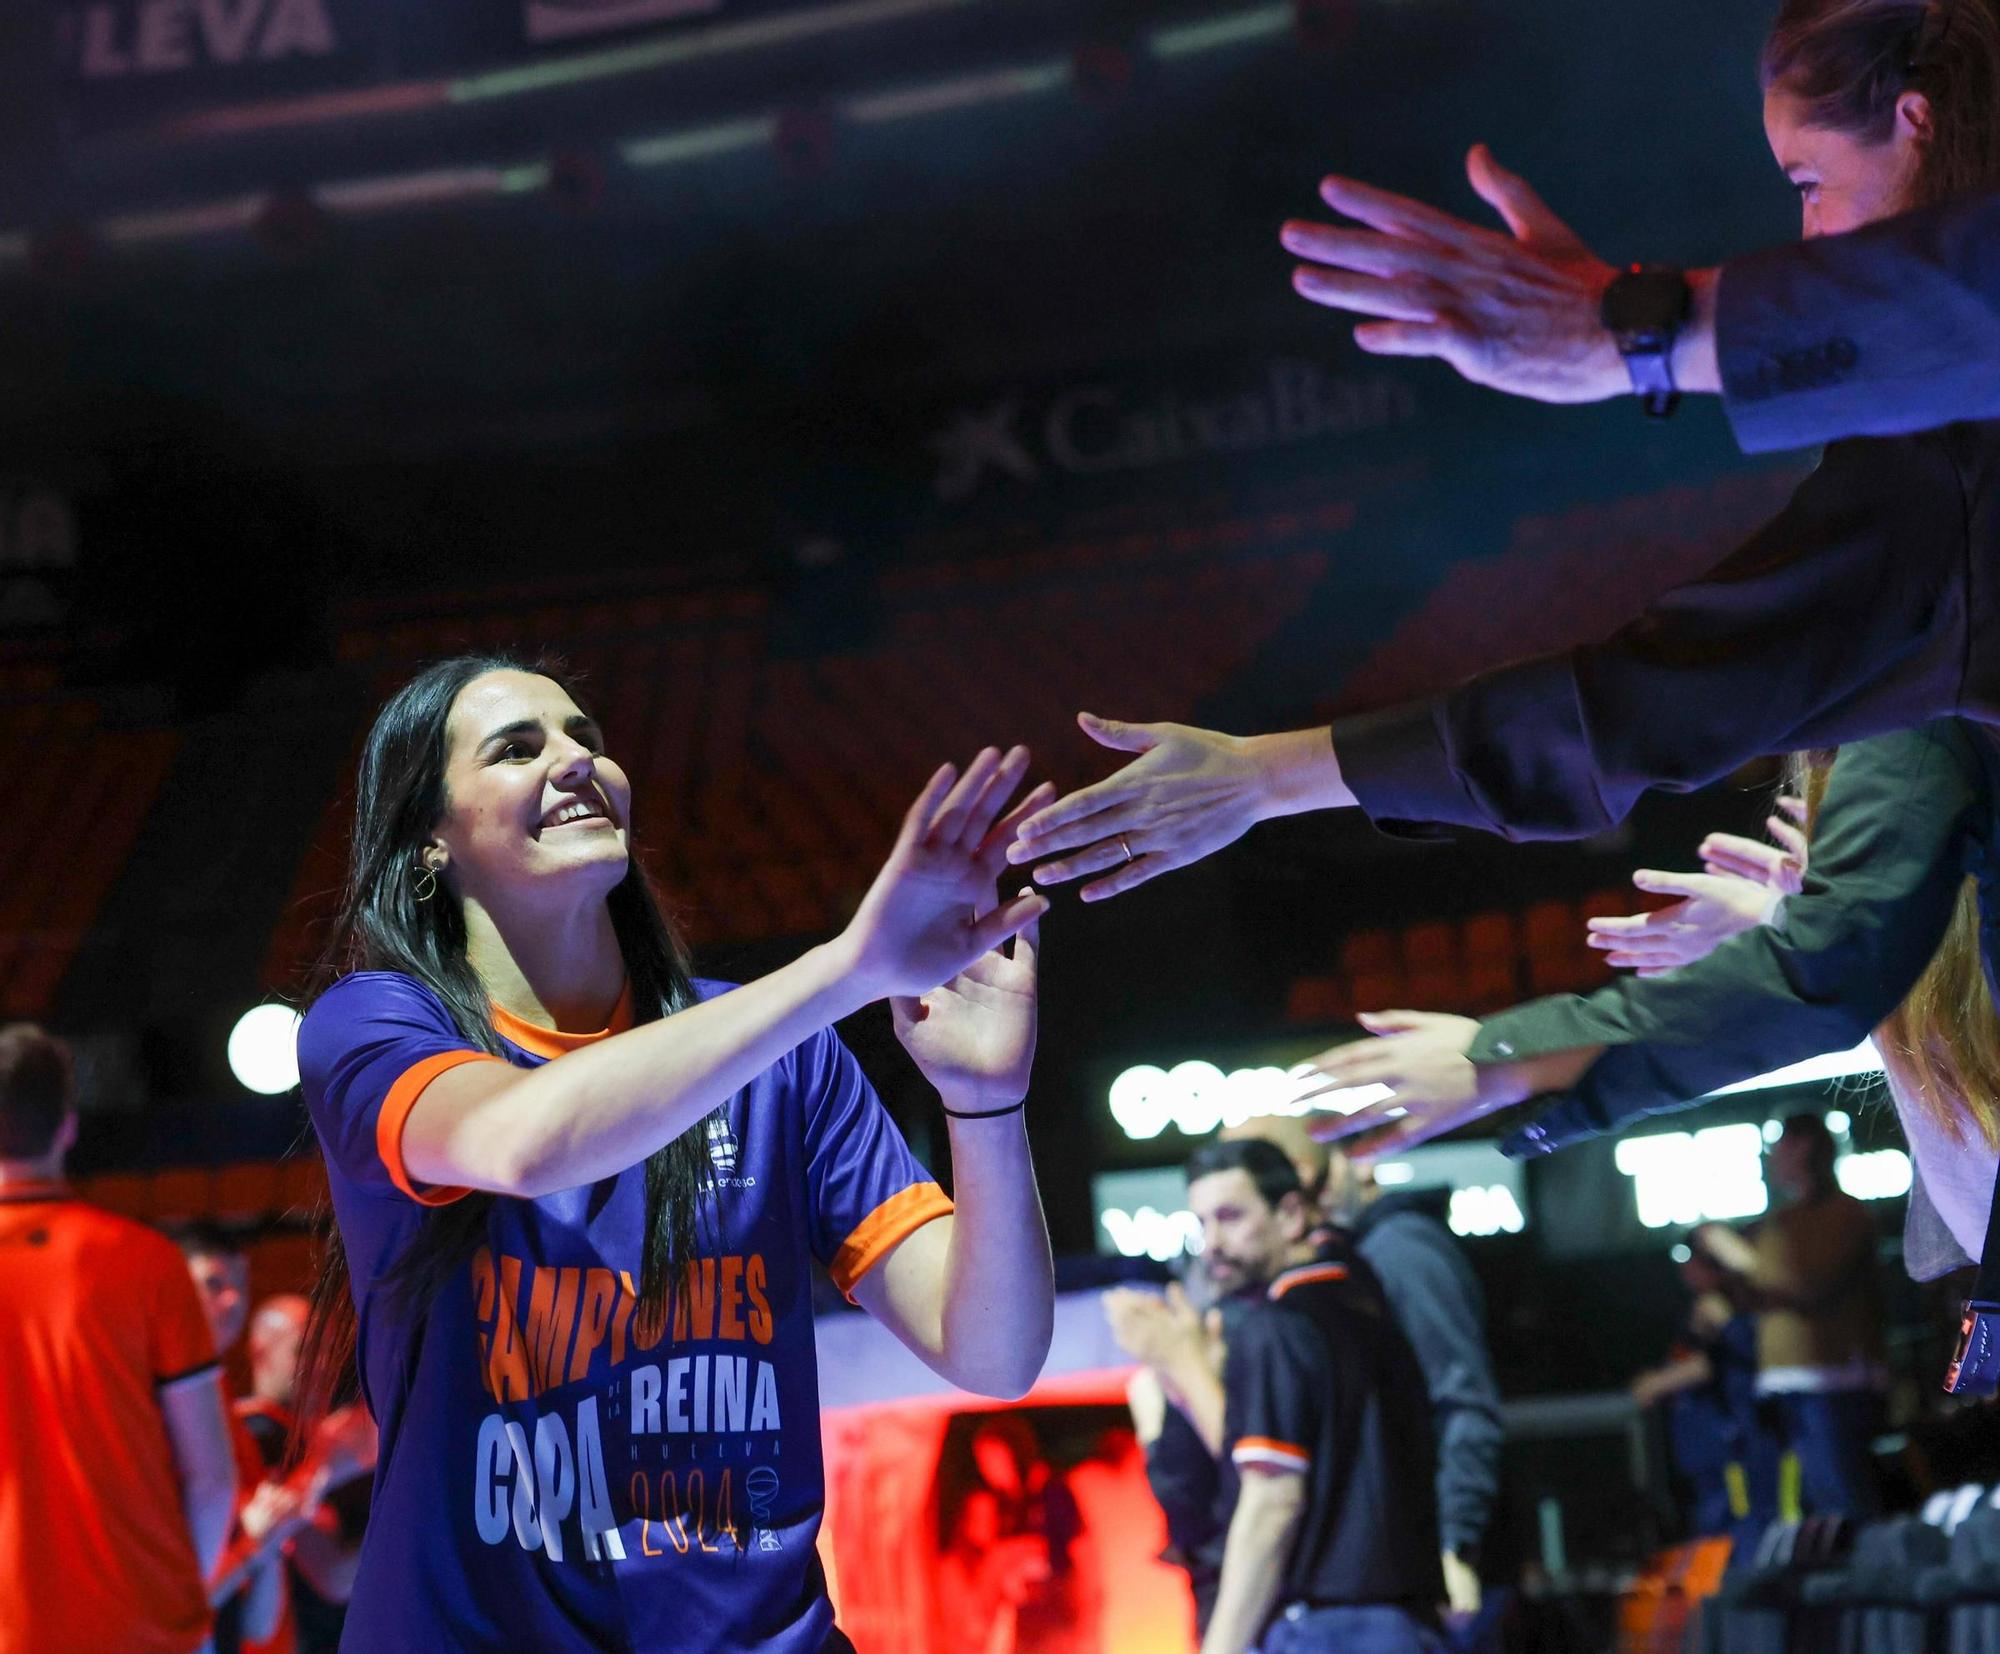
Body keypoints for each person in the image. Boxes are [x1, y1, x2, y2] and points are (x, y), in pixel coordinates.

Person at [1006, 0, 2000, 906]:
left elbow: (1640, 703)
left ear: (1913, 123)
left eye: (1808, 181)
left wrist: (1266, 777)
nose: (1805, 228)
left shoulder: (1941, 466)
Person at [293, 655, 1056, 1652]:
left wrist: (985, 1104)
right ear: (430, 840)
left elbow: (993, 1351)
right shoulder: (372, 1026)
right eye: (517, 748)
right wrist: (847, 968)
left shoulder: (777, 1053)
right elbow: (521, 1140)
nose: (575, 763)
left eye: (585, 739)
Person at [1287, 722, 2000, 1297]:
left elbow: (1829, 978)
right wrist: (1784, 917)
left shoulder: (1918, 710)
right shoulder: (1910, 710)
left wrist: (1504, 1063)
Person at [0, 1024, 237, 1654]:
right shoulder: (147, 1262)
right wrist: (184, 1598)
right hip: (146, 1626)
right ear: (68, 1126)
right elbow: (211, 1479)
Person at [1221, 1116, 1501, 1624]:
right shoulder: (1337, 1267)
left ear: (1299, 1175)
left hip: (1429, 1583)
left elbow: (1459, 1400)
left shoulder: (1397, 1249)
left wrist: (1455, 1544)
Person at [1184, 1137, 1443, 1654]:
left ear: (1290, 1214)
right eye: (1202, 1224)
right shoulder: (1368, 1302)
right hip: (1408, 1619)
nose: (1211, 1243)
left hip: (1327, 1629)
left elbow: (1273, 1501)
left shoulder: (1275, 1328)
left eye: (1230, 1217)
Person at [1698, 1116, 1888, 1521]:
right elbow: (1759, 1291)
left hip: (1834, 1379)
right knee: (1820, 1498)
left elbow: (1806, 1288)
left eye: (1779, 1147)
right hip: (1787, 1381)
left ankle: (1877, 1572)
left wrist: (1738, 1260)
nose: (1772, 1159)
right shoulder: (1781, 1221)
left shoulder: (1845, 1215)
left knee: (1845, 1494)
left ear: (1804, 1147)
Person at [1628, 1242, 1778, 1552]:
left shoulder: (1735, 1308)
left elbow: (1710, 1365)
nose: (1686, 1269)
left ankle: (1738, 1589)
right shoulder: (1701, 1309)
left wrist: (1657, 1383)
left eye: (1693, 1260)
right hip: (1701, 1442)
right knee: (1711, 1520)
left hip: (1730, 1440)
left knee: (1736, 1521)